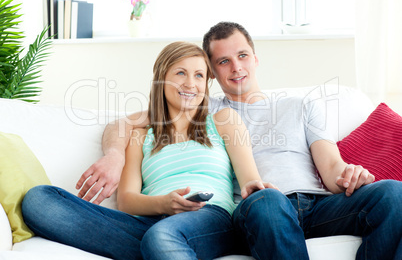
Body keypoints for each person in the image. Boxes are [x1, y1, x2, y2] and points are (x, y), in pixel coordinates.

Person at [77, 22, 402, 260]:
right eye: (223, 62)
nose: (236, 68)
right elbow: (122, 123)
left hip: (315, 206)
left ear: (256, 59)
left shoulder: (300, 105)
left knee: (393, 193)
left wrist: (351, 173)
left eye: (242, 55)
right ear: (212, 75)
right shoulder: (204, 110)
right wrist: (115, 155)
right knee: (268, 202)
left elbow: (332, 169)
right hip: (257, 208)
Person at [22, 41, 269, 260]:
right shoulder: (141, 133)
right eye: (180, 73)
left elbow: (250, 179)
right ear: (161, 78)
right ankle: (160, 250)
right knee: (39, 200)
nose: (190, 83)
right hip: (150, 222)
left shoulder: (224, 120)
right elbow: (127, 201)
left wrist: (257, 187)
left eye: (199, 76)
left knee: (162, 236)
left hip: (210, 217)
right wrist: (164, 204)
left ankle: (161, 245)